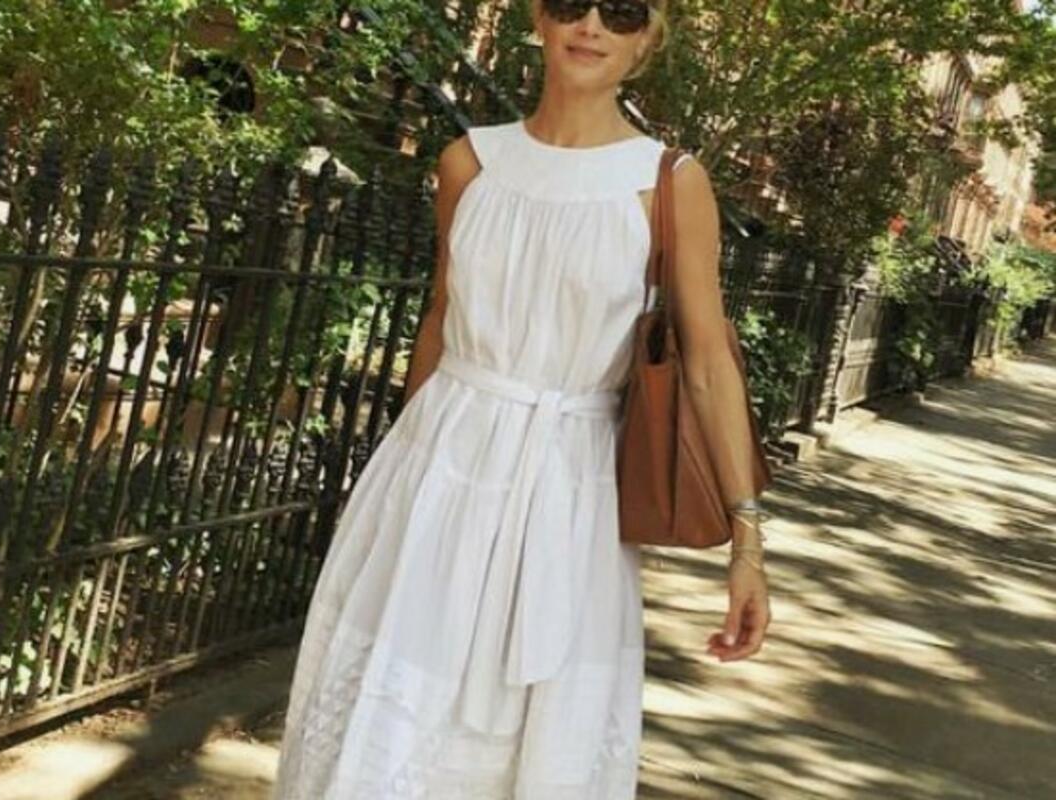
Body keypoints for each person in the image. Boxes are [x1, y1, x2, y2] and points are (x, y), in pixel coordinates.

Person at [271, 0, 771, 796]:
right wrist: (403, 471)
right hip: (436, 474)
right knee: (390, 712)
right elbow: (441, 318)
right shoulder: (469, 162)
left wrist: (747, 544)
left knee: (528, 736)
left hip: (569, 494)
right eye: (572, 3)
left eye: (623, 11)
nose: (592, 25)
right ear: (539, 19)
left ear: (646, 39)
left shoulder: (670, 184)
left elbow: (709, 363)